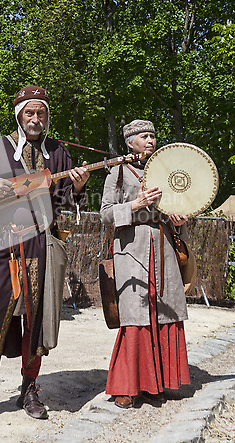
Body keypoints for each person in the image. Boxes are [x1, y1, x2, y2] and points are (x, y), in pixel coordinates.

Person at [0, 85, 89, 427]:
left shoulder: (59, 153)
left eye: (41, 113)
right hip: (4, 245)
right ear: (19, 115)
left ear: (47, 117)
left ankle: (30, 389)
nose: (35, 119)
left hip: (42, 244)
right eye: (29, 113)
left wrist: (79, 187)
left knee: (36, 322)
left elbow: (65, 202)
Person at [100, 119, 190, 409]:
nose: (150, 140)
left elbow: (179, 205)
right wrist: (135, 205)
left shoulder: (165, 172)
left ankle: (157, 383)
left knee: (164, 311)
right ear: (130, 142)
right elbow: (105, 215)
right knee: (135, 314)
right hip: (132, 247)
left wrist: (180, 220)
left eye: (152, 135)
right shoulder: (117, 172)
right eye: (144, 136)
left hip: (163, 246)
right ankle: (128, 386)